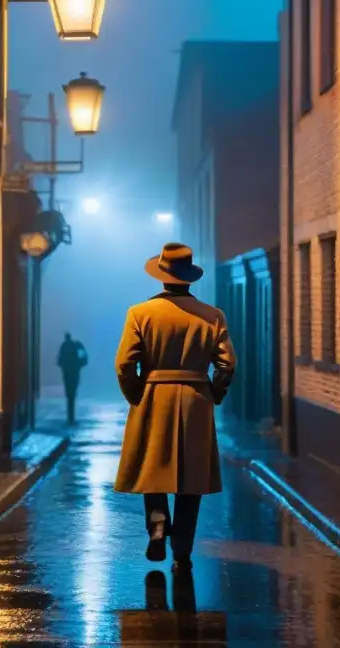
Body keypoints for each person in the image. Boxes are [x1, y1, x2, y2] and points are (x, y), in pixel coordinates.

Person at [113, 242, 237, 571]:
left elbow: (125, 363)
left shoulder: (140, 313)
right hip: (196, 398)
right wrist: (213, 392)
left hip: (153, 395)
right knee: (191, 475)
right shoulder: (212, 316)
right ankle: (182, 547)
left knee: (153, 468)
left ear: (162, 276)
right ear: (190, 278)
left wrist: (136, 394)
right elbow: (228, 364)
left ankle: (156, 528)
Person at [56, 331, 88, 425]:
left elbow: (59, 360)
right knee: (73, 392)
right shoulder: (76, 345)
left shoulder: (64, 346)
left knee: (69, 393)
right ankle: (71, 416)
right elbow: (84, 355)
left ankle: (70, 416)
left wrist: (64, 366)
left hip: (67, 373)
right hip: (75, 371)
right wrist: (80, 363)